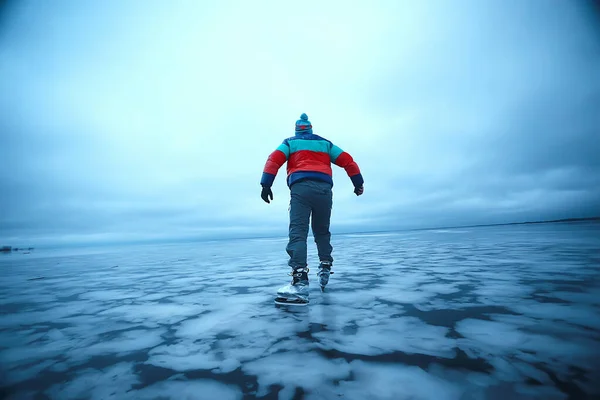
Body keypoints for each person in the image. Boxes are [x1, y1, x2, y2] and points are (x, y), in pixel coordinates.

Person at [260, 113, 364, 304]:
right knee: (321, 231)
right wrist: (358, 183)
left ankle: (299, 282)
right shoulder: (325, 144)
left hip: (301, 188)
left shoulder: (290, 143)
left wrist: (266, 184)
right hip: (324, 190)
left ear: (296, 129)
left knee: (298, 232)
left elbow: (273, 160)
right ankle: (325, 265)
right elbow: (348, 160)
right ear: (310, 129)